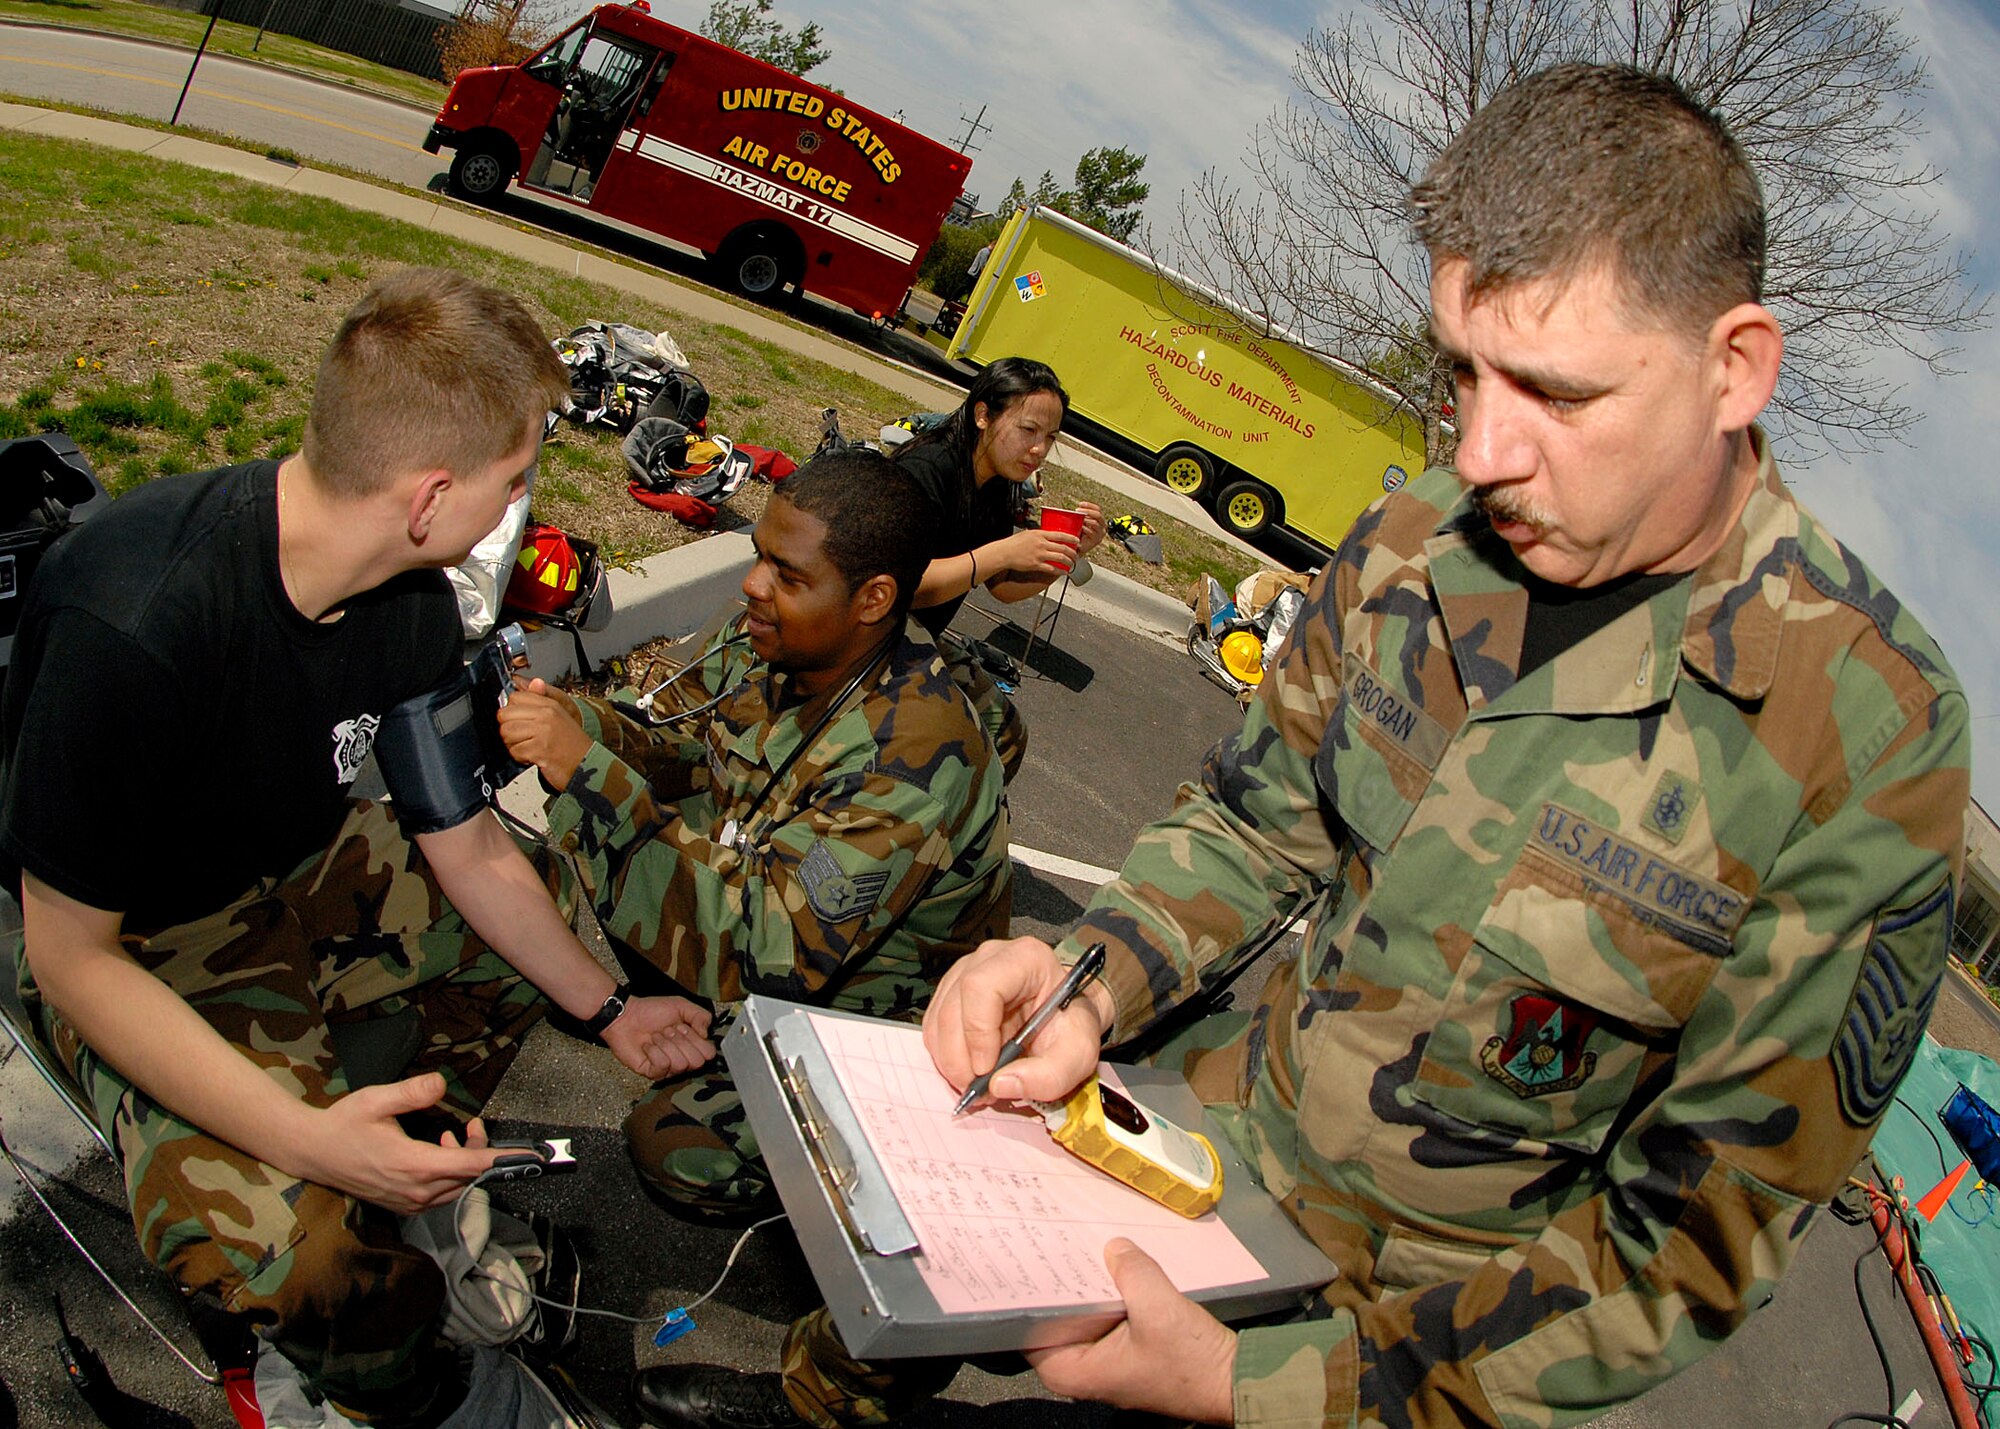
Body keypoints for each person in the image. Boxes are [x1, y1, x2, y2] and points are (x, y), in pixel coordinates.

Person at [656, 63, 1976, 1429]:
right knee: (904, 1268)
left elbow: (1691, 1239)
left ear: (1733, 369)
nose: (1480, 453)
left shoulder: (1866, 737)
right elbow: (1256, 820)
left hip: (1421, 1333)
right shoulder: (1419, 542)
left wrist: (1260, 1389)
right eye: (1463, 371)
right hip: (1218, 1127)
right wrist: (1088, 985)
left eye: (1556, 394)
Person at [0, 268, 715, 1429]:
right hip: (134, 940)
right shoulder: (133, 619)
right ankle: (397, 1372)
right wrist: (308, 1143)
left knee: (515, 918)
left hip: (287, 868)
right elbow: (72, 957)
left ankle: (405, 1162)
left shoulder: (411, 603)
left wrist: (606, 1011)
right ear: (431, 495)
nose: (521, 505)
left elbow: (468, 844)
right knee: (311, 1257)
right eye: (516, 478)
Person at [496, 448, 1012, 1221]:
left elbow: (772, 947)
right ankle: (651, 1006)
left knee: (679, 1146)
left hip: (859, 1018)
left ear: (873, 599)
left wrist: (593, 779)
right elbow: (676, 738)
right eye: (759, 557)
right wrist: (584, 725)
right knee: (559, 867)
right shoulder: (769, 635)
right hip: (764, 911)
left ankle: (892, 1182)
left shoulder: (916, 755)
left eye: (789, 575)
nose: (754, 586)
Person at [892, 357, 1107, 780]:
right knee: (950, 750)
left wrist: (1066, 553)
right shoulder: (927, 470)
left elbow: (1003, 587)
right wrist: (1005, 552)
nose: (1039, 450)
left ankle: (965, 832)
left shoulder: (996, 483)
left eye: (1050, 437)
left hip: (918, 640)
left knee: (1005, 735)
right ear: (983, 415)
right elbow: (903, 586)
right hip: (872, 640)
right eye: (1028, 431)